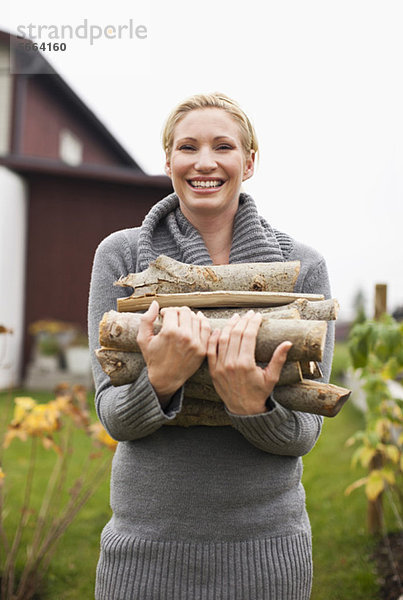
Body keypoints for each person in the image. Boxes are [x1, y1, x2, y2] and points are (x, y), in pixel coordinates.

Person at [88, 92, 335, 600]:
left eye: (223, 146)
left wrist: (252, 404)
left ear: (248, 162)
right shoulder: (121, 258)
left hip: (266, 552)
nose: (204, 162)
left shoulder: (302, 268)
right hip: (144, 550)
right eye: (187, 147)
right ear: (168, 160)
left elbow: (301, 436)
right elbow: (115, 419)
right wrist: (161, 379)